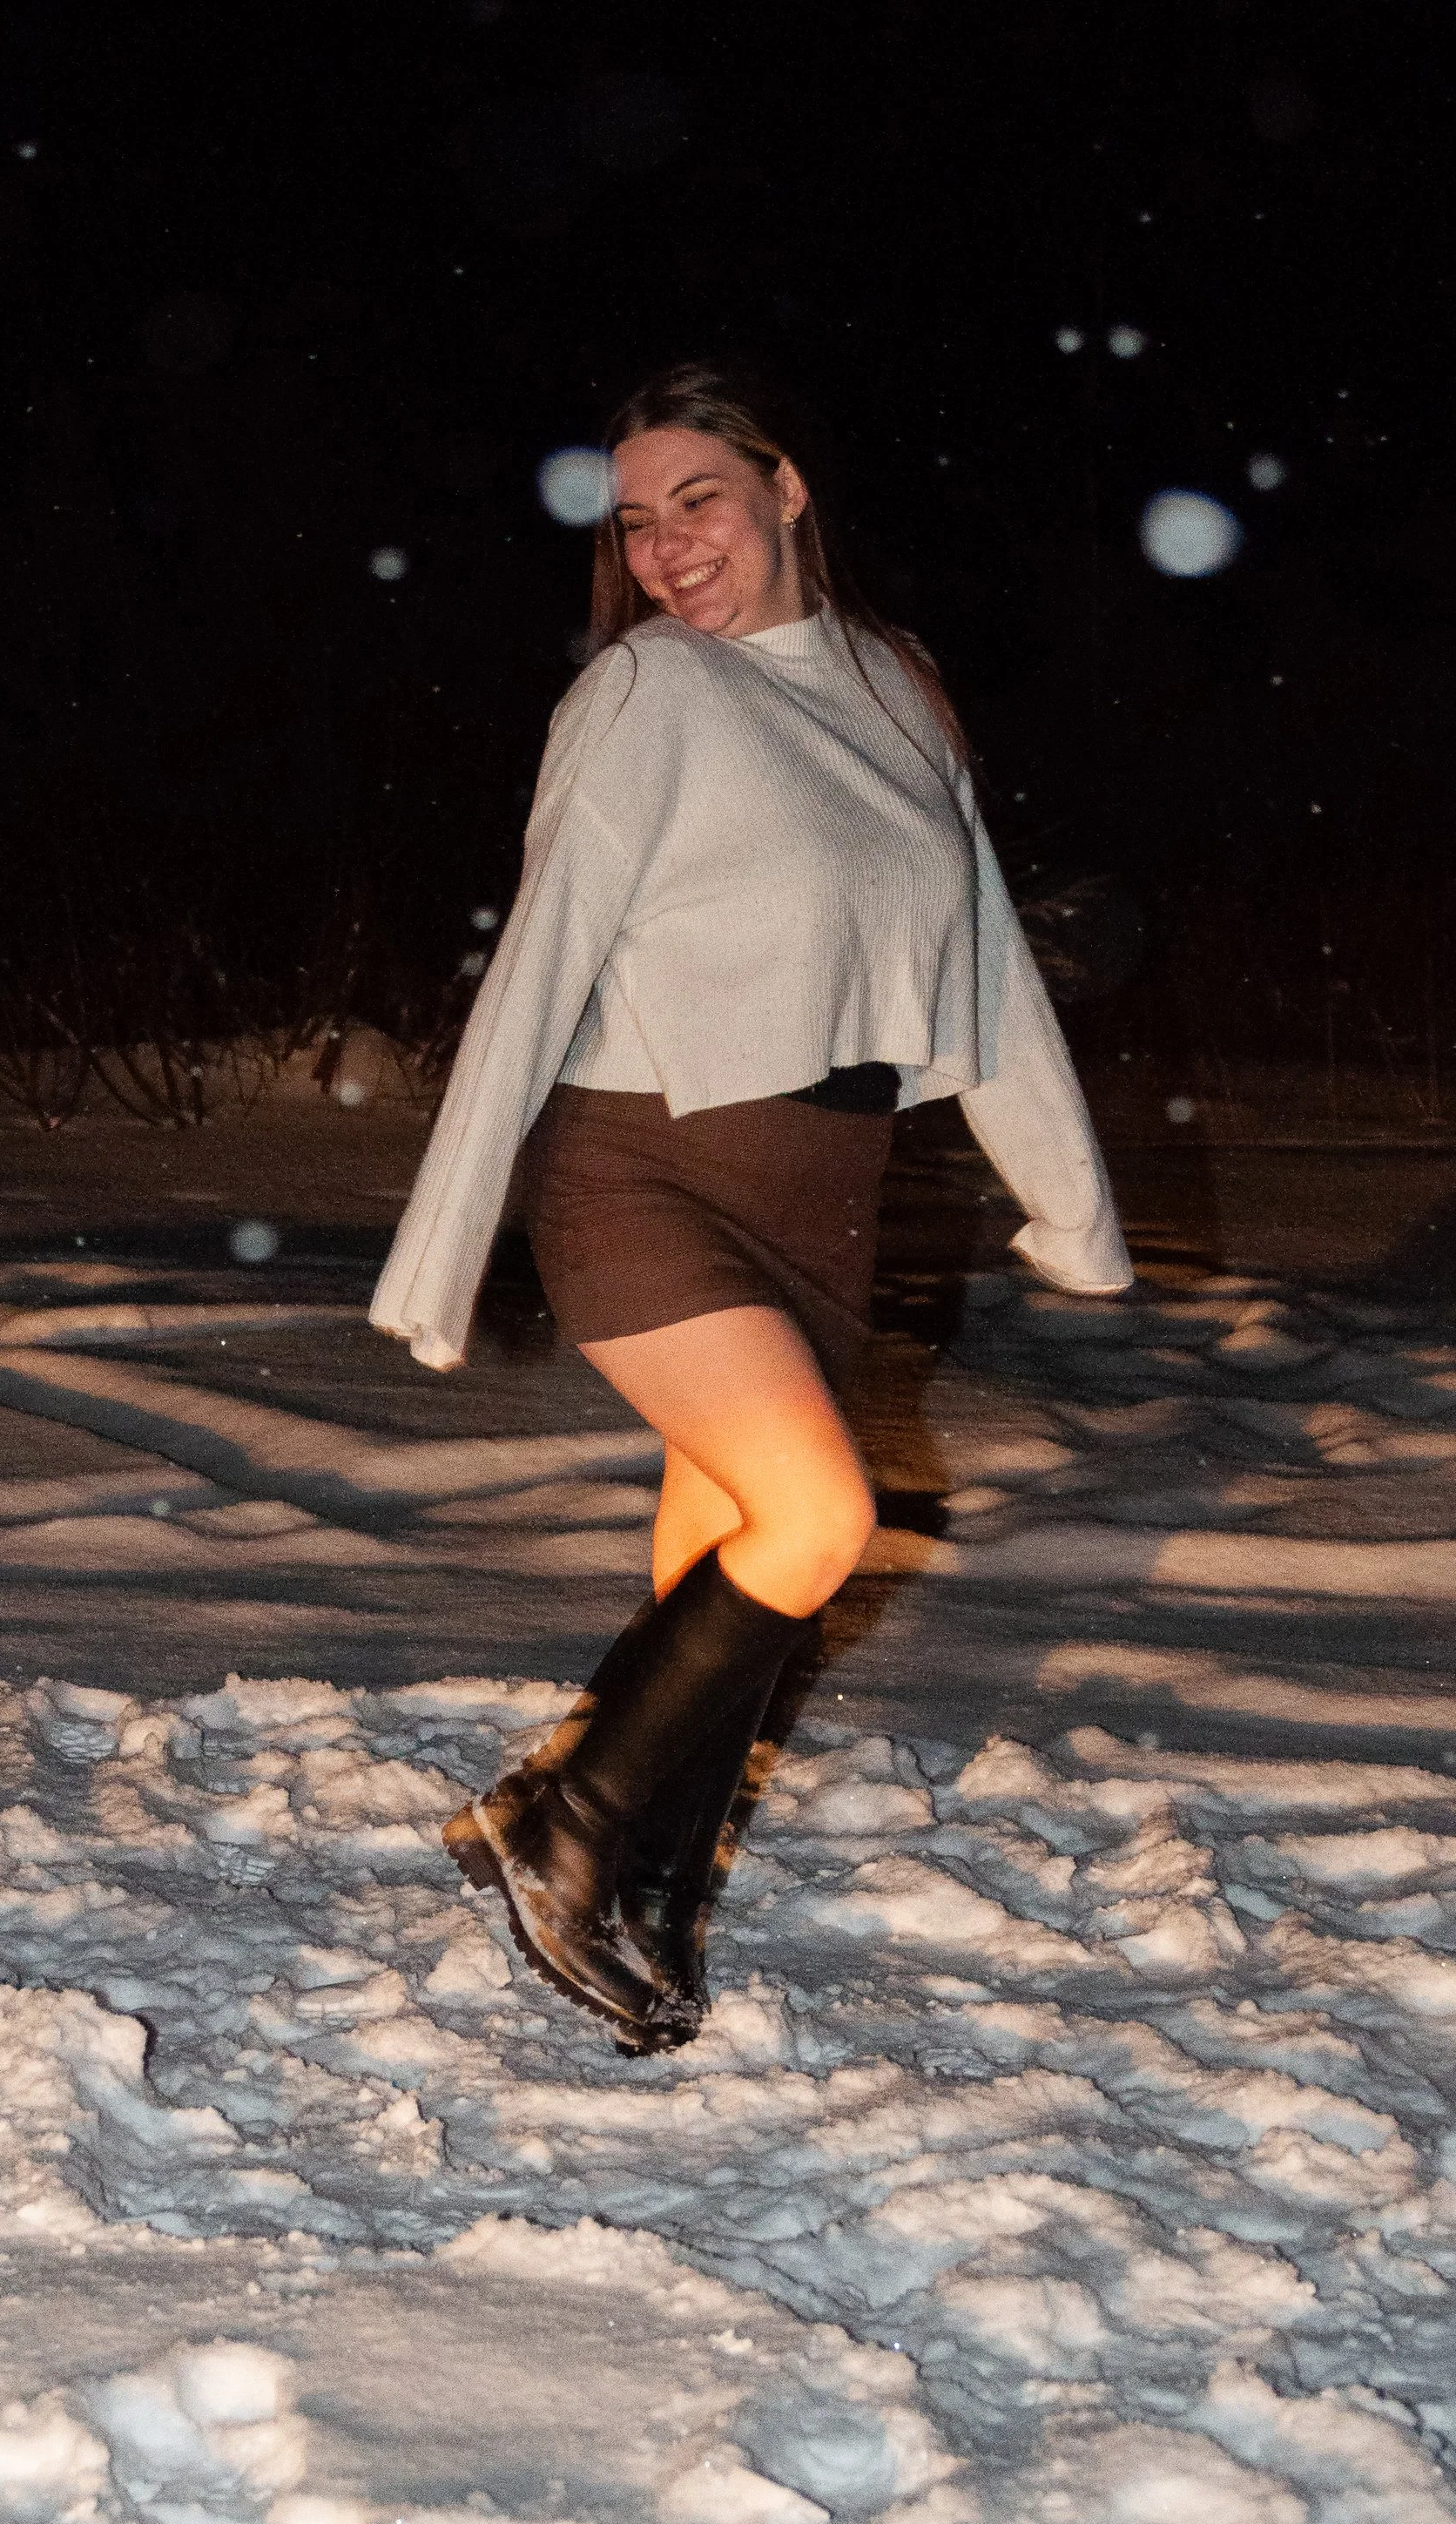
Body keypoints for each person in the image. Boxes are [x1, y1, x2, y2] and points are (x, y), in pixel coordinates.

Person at [371, 358, 1131, 2054]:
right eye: (634, 523)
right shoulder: (646, 697)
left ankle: (638, 1883)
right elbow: (544, 952)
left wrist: (1065, 1201)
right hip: (642, 1171)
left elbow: (983, 958)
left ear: (788, 489)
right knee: (818, 1522)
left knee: (731, 1562)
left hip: (826, 1193)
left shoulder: (896, 688)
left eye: (692, 501)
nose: (661, 548)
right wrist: (444, 1241)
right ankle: (556, 1822)